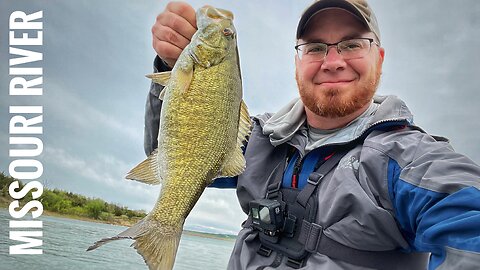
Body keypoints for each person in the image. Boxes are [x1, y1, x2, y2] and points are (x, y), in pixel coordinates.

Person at [146, 0, 480, 269]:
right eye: (316, 47)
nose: (333, 61)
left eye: (351, 44)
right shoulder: (258, 138)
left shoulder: (412, 161)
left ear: (378, 58)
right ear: (297, 62)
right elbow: (175, 157)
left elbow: (468, 220)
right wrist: (170, 67)